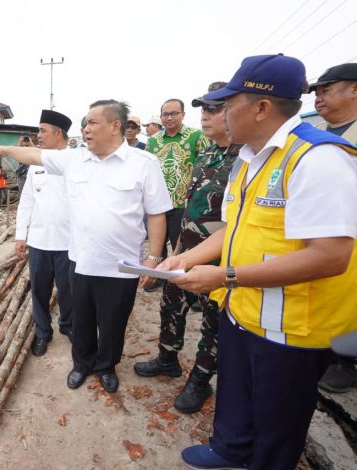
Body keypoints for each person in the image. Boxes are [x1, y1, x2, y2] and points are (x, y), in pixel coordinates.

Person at [157, 54, 357, 470]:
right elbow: (233, 230)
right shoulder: (247, 159)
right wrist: (182, 260)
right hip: (243, 310)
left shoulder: (318, 159)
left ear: (262, 107)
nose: (220, 114)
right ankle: (229, 450)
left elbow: (331, 257)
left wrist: (226, 276)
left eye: (228, 104)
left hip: (291, 328)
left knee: (276, 424)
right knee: (237, 395)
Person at [0, 99, 171, 393]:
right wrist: (6, 149)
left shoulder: (143, 164)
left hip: (122, 266)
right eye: (85, 123)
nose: (85, 128)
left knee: (112, 323)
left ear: (115, 126)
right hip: (81, 262)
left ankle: (106, 366)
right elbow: (34, 155)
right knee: (81, 320)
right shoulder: (74, 159)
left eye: (92, 122)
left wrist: (153, 257)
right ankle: (82, 364)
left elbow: (157, 213)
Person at [134, 81, 240, 414]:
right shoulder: (208, 150)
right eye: (203, 110)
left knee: (213, 320)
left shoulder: (247, 156)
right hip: (187, 246)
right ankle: (168, 358)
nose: (205, 116)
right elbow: (192, 201)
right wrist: (177, 248)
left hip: (222, 255)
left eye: (213, 109)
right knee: (171, 303)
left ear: (233, 111)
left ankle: (200, 380)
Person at [310, 62, 357, 393]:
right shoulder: (320, 134)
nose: (318, 97)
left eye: (326, 89)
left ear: (354, 90)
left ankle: (348, 361)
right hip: (324, 229)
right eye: (316, 92)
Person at [16, 109, 74, 356]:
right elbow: (27, 201)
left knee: (69, 290)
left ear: (58, 133)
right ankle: (42, 332)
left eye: (42, 130)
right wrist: (21, 235)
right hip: (39, 241)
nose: (38, 135)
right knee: (39, 291)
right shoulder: (35, 164)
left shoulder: (75, 161)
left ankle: (68, 326)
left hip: (68, 241)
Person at [145, 99, 210, 292]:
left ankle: (182, 281)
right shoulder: (153, 141)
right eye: (165, 114)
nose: (169, 117)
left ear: (183, 115)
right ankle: (158, 277)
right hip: (157, 203)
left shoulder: (196, 136)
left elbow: (205, 166)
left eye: (174, 113)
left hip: (183, 203)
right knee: (157, 243)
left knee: (180, 244)